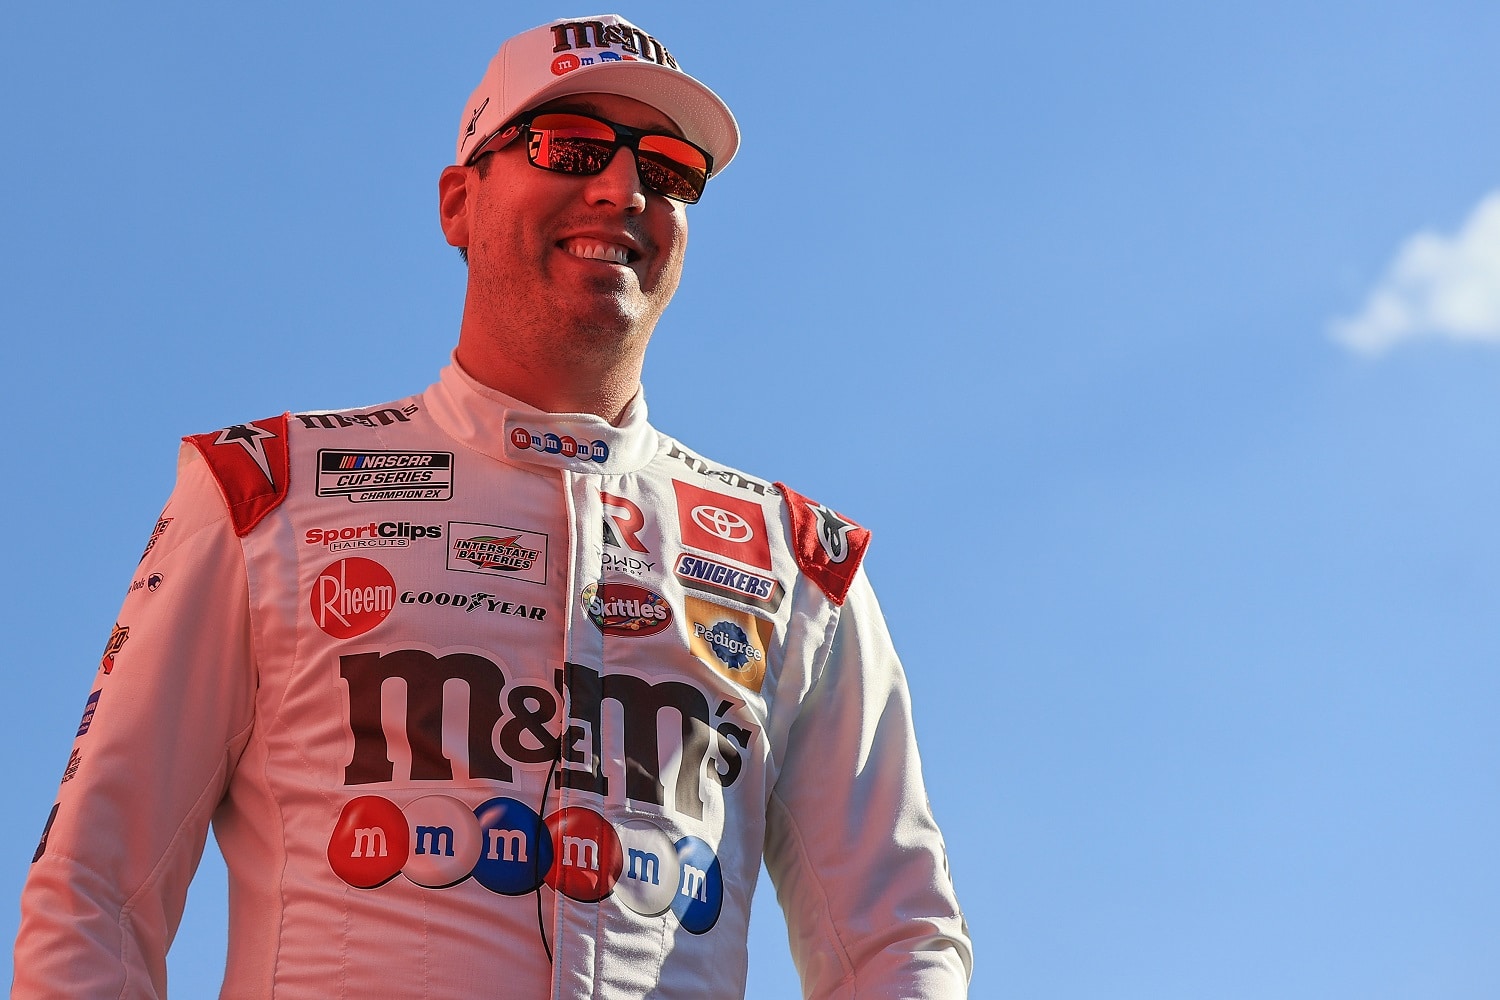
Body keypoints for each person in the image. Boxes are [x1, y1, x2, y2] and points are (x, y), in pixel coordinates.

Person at [13, 13, 972, 999]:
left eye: (671, 167)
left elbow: (897, 939)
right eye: (570, 147)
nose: (622, 189)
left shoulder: (797, 562)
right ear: (458, 201)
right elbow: (95, 893)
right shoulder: (263, 493)